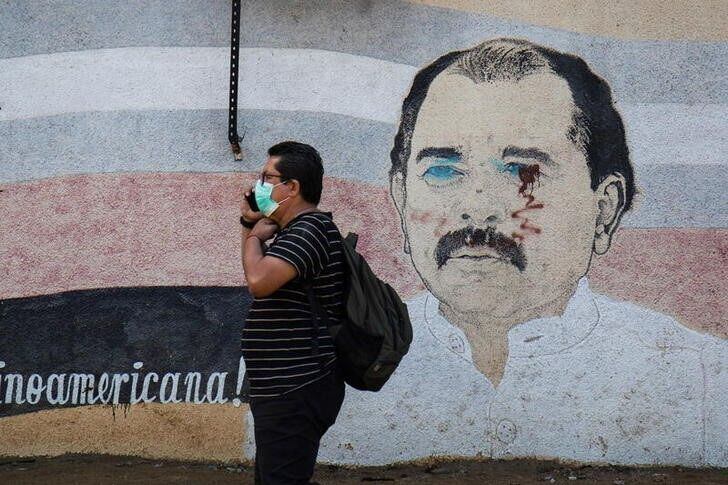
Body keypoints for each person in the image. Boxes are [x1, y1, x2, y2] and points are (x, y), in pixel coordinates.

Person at [320, 38, 727, 467]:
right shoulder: (323, 369)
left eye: (523, 170)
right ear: (401, 199)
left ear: (603, 210)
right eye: (442, 170)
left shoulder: (699, 378)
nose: (476, 206)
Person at [241, 141, 346, 484]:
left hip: (297, 385)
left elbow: (258, 281)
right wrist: (249, 223)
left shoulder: (309, 230)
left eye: (268, 177)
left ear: (293, 187)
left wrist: (255, 237)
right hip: (283, 386)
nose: (260, 184)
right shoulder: (292, 234)